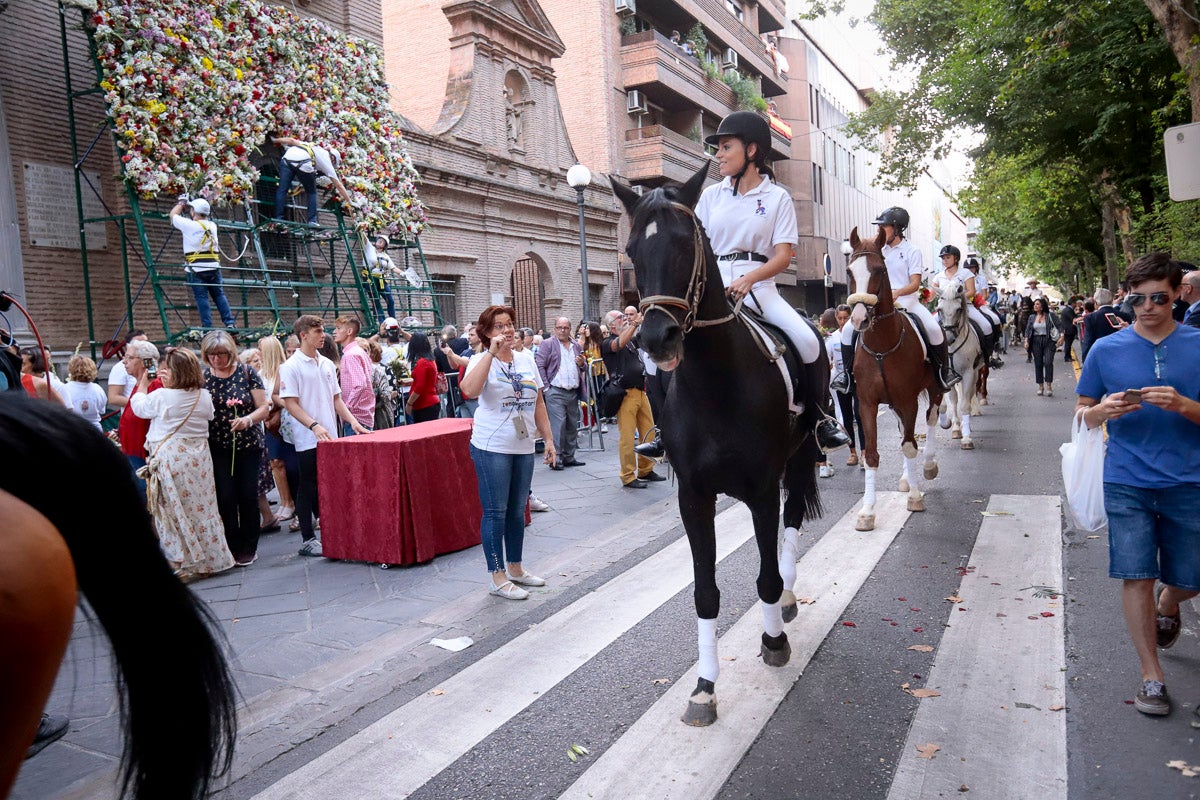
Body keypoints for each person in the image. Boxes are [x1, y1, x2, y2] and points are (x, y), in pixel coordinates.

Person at [1074, 252, 1200, 720]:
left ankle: (1172, 600)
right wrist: (1099, 413)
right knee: (1136, 574)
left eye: (1159, 298)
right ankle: (1152, 675)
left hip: (1191, 479)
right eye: (1137, 298)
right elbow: (1082, 411)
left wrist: (1186, 405)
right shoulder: (1107, 350)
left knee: (1191, 577)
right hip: (1126, 477)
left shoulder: (1198, 344)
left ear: (1177, 295)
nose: (1147, 307)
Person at [697, 112, 849, 451]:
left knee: (809, 342)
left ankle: (819, 417)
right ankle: (666, 427)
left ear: (751, 150)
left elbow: (782, 257)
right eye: (717, 148)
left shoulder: (777, 198)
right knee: (673, 340)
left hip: (760, 286)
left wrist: (750, 279)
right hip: (714, 284)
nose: (718, 154)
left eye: (725, 147)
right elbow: (701, 247)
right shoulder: (710, 197)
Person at [458, 305, 557, 600]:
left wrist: (549, 440)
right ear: (486, 334)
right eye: (499, 326)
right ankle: (497, 575)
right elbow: (469, 390)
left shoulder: (526, 359)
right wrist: (490, 353)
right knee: (495, 512)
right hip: (492, 446)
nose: (507, 330)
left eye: (510, 324)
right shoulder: (479, 359)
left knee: (518, 510)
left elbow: (538, 402)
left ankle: (515, 567)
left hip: (523, 445)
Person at [130, 347, 236, 580]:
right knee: (203, 508)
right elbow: (208, 416)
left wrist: (142, 385)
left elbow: (139, 409)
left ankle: (180, 563)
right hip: (199, 458)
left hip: (171, 457)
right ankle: (211, 560)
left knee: (172, 509)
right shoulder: (203, 395)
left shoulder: (161, 396)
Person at [842, 206, 960, 391]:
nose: (879, 231)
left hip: (907, 301)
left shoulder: (912, 251)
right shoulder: (876, 248)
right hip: (878, 302)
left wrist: (897, 292)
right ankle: (847, 377)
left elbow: (914, 283)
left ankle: (943, 374)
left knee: (934, 329)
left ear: (897, 229)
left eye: (884, 226)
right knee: (848, 330)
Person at [279, 316, 369, 556]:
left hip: (331, 436)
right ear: (303, 335)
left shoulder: (327, 364)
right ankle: (308, 538)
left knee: (332, 485)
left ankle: (334, 531)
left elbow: (336, 399)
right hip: (308, 437)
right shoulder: (290, 366)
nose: (323, 335)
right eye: (318, 331)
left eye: (323, 331)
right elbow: (290, 403)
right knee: (307, 486)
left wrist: (352, 421)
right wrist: (314, 426)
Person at [201, 331, 269, 566]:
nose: (216, 360)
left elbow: (263, 407)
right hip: (217, 445)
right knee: (225, 496)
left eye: (221, 354)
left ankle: (250, 545)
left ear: (230, 353)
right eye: (211, 355)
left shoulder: (247, 373)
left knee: (247, 495)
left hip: (247, 444)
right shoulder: (204, 378)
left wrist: (247, 420)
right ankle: (232, 543)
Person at [602, 309, 663, 488]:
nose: (625, 319)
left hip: (640, 391)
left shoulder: (629, 341)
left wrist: (646, 320)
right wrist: (635, 323)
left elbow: (641, 337)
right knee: (627, 437)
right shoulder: (607, 342)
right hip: (625, 394)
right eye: (621, 318)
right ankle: (628, 475)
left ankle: (646, 469)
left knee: (648, 432)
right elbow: (618, 344)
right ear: (612, 325)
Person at [170, 197, 235, 329]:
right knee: (219, 295)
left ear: (193, 212)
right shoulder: (213, 226)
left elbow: (173, 215)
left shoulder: (189, 225)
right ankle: (229, 323)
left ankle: (207, 327)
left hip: (196, 269)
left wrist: (182, 203)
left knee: (201, 298)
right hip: (214, 267)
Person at [931, 247, 999, 366]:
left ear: (956, 258)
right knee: (929, 328)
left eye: (948, 257)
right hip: (945, 310)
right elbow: (932, 293)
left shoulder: (966, 273)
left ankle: (988, 357)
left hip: (965, 307)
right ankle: (933, 360)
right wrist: (924, 296)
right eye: (943, 258)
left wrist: (955, 298)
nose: (944, 260)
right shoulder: (938, 276)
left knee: (987, 325)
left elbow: (971, 291)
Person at [536, 316, 586, 470]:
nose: (562, 330)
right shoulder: (547, 344)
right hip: (555, 391)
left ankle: (569, 457)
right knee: (558, 426)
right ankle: (555, 460)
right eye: (559, 327)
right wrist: (546, 388)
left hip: (572, 391)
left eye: (565, 327)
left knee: (572, 425)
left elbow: (583, 367)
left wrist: (582, 364)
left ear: (570, 328)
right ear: (555, 328)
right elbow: (539, 365)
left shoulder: (576, 346)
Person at [270, 136, 354, 226]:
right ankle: (312, 221)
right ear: (333, 159)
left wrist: (275, 140)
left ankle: (278, 219)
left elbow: (291, 140)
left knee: (282, 189)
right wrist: (350, 201)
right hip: (303, 163)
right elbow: (339, 185)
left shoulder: (311, 146)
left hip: (286, 159)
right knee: (312, 192)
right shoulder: (327, 161)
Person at [116, 339, 162, 498]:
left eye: (129, 358)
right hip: (133, 449)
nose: (124, 362)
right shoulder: (140, 383)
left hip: (144, 452)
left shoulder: (154, 385)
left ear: (144, 362)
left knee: (145, 493)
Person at [258, 335, 296, 524]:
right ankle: (284, 501)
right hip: (267, 422)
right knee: (275, 463)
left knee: (285, 463)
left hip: (281, 421)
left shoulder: (283, 370)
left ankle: (290, 502)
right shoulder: (260, 373)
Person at [333, 315, 374, 435]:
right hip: (362, 414)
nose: (335, 332)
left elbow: (360, 384)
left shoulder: (351, 355)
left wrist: (346, 409)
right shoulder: (358, 351)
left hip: (356, 417)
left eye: (338, 328)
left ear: (349, 331)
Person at [1024, 297, 1062, 396]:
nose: (1035, 306)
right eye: (1034, 304)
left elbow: (1060, 326)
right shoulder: (1032, 317)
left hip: (1048, 340)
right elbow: (1028, 330)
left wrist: (1062, 337)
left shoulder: (1050, 315)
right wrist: (1026, 341)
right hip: (1036, 341)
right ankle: (1040, 386)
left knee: (1049, 362)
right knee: (1038, 363)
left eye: (1037, 304)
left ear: (1042, 306)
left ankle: (1049, 386)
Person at [62, 355, 107, 430]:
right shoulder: (98, 389)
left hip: (73, 428)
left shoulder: (65, 389)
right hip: (94, 429)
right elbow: (102, 410)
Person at [405, 333, 442, 423]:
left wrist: (409, 403)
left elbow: (419, 387)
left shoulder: (422, 362)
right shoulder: (430, 360)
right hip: (429, 403)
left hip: (424, 405)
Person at [1081, 287, 1126, 362]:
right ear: (1111, 300)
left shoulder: (1090, 318)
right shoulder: (1124, 316)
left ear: (1095, 302)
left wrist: (1085, 360)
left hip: (1099, 358)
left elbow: (1088, 341)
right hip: (1121, 357)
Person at [105, 329, 147, 409]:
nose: (144, 346)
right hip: (134, 415)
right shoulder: (120, 367)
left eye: (146, 343)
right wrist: (140, 404)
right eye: (138, 343)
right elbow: (113, 398)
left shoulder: (151, 364)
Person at [367, 339, 397, 430]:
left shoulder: (382, 370)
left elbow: (392, 392)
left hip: (380, 412)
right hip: (380, 411)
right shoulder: (386, 369)